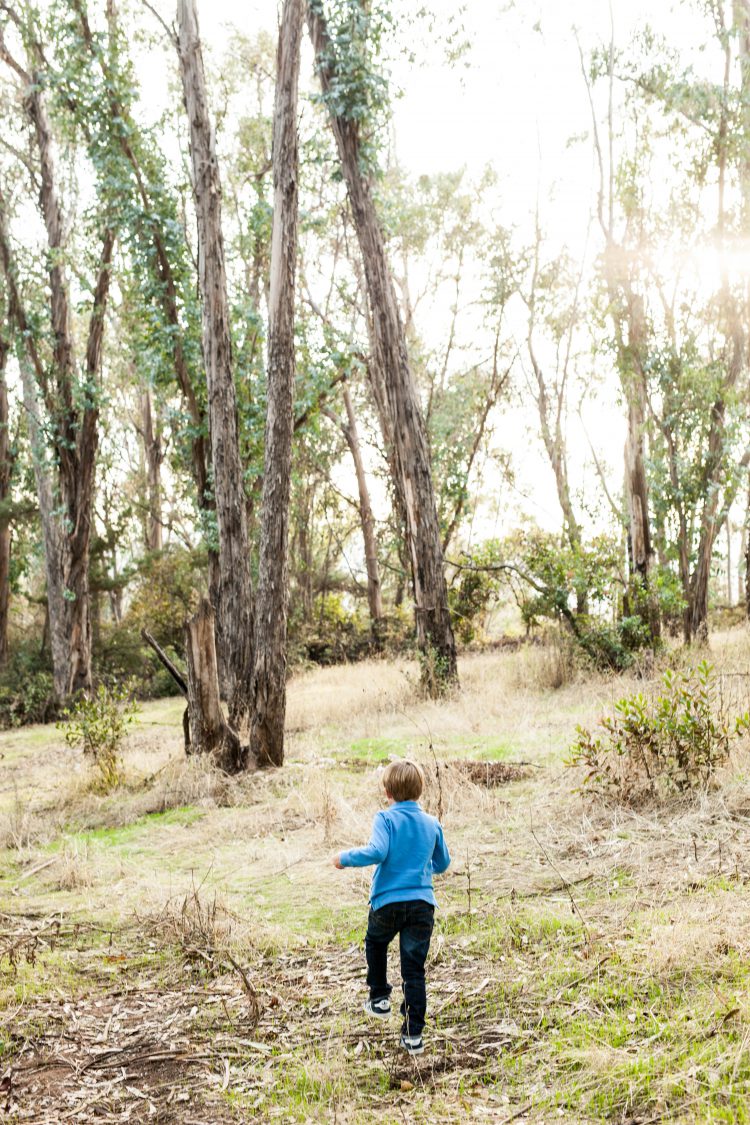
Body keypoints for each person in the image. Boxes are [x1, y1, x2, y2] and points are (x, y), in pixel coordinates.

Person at [332, 759, 451, 1056]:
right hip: (422, 905)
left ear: (387, 792)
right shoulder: (431, 823)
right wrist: (423, 869)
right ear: (420, 791)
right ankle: (413, 1034)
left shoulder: (384, 819)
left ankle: (379, 996)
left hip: (387, 902)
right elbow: (443, 863)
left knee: (375, 942)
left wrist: (344, 858)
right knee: (414, 969)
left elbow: (377, 851)